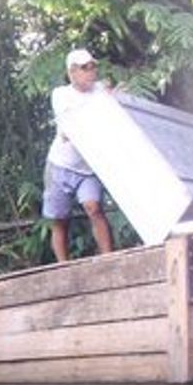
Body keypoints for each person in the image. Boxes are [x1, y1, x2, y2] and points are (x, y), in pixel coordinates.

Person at [43, 48, 115, 263]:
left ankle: (110, 260)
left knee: (94, 208)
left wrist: (115, 98)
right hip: (60, 165)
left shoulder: (100, 91)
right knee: (59, 220)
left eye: (93, 67)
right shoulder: (61, 94)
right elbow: (72, 124)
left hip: (88, 167)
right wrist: (104, 103)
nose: (91, 72)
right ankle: (63, 267)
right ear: (72, 72)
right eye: (85, 68)